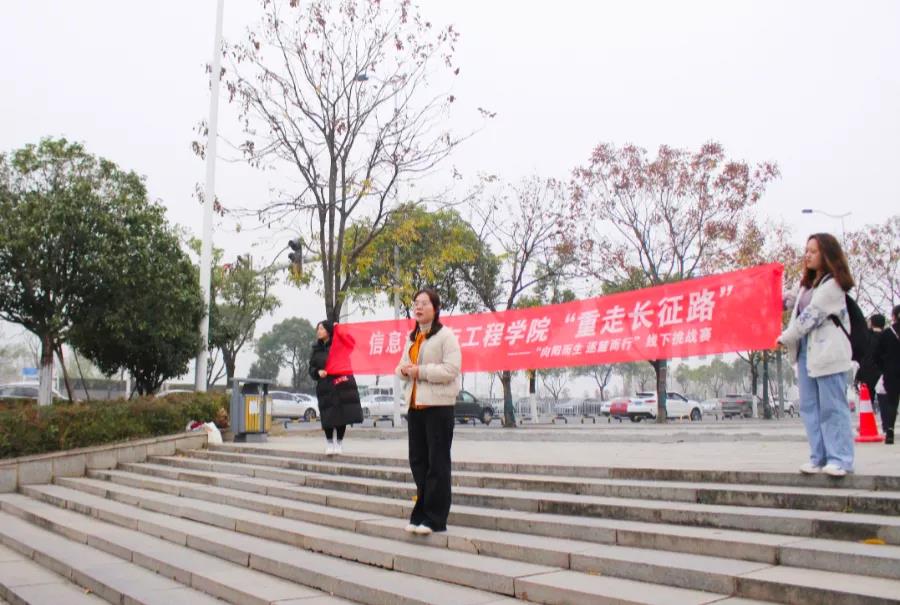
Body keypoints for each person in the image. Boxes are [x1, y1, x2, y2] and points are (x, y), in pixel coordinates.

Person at [777, 233, 855, 477]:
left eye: (813, 251)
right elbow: (791, 301)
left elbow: (809, 317)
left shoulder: (832, 286)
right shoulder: (807, 285)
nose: (807, 255)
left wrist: (784, 337)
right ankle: (818, 457)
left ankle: (840, 458)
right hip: (806, 353)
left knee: (832, 407)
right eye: (806, 250)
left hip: (828, 353)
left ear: (827, 254)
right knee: (810, 407)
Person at [395, 288, 461, 535]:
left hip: (439, 408)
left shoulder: (446, 336)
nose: (418, 307)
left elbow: (451, 370)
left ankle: (435, 518)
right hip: (415, 407)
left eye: (424, 303)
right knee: (418, 461)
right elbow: (400, 366)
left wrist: (419, 371)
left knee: (437, 463)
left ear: (435, 308)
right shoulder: (412, 338)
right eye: (416, 303)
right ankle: (421, 512)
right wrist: (404, 370)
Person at [308, 320, 364, 455]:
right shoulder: (316, 349)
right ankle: (329, 443)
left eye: (321, 329)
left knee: (341, 415)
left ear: (328, 331)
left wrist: (340, 330)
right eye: (318, 329)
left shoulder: (340, 344)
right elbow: (311, 368)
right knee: (327, 415)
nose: (319, 331)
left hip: (340, 384)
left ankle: (339, 443)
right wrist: (318, 372)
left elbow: (351, 343)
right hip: (325, 386)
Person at [875, 305, 900, 445]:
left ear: (893, 316)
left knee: (892, 402)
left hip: (891, 372)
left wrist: (884, 368)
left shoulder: (886, 334)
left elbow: (876, 355)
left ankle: (889, 431)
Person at [856, 314, 886, 415]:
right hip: (882, 371)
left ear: (872, 323)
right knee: (885, 398)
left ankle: (867, 418)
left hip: (867, 371)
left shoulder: (866, 336)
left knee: (867, 400)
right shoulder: (887, 336)